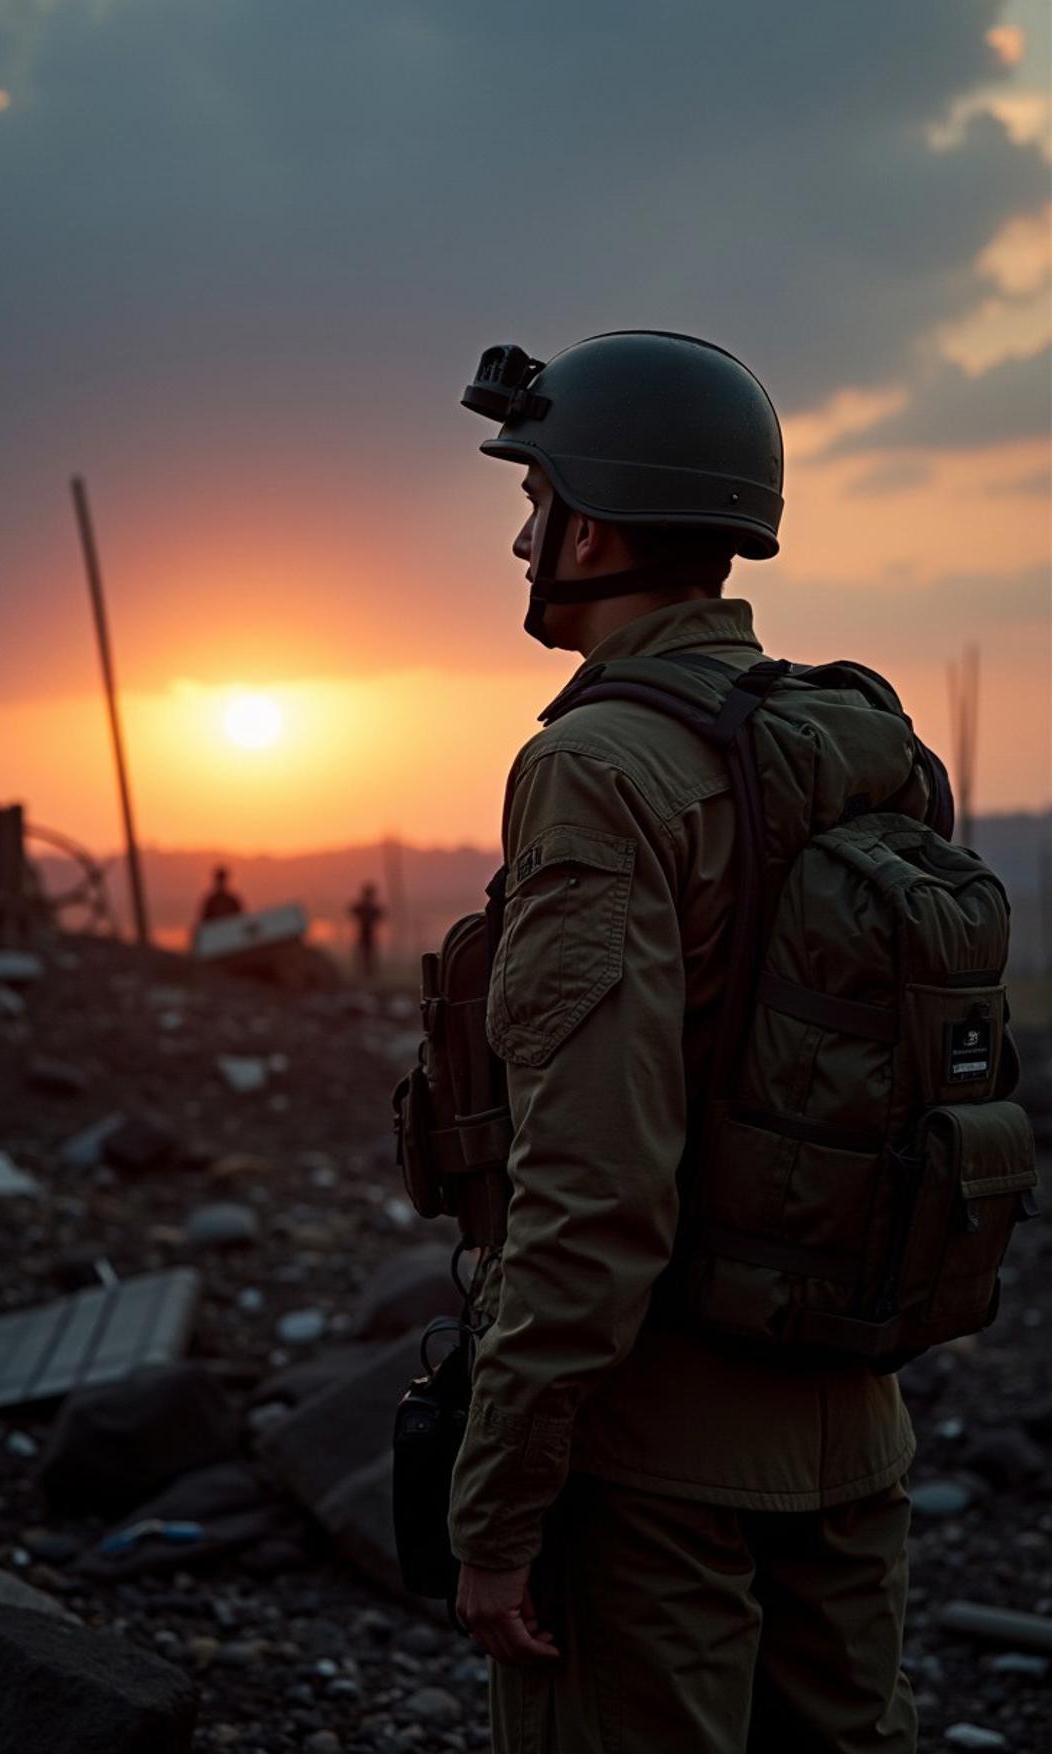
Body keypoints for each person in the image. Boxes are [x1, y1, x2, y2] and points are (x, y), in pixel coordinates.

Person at [447, 334, 923, 1752]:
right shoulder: (850, 734)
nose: (522, 537)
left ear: (588, 523)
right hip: (850, 1428)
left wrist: (499, 1506)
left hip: (659, 1477)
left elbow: (595, 1190)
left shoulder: (599, 765)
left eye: (533, 502)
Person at [349, 880, 386, 981]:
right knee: (364, 954)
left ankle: (368, 973)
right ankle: (364, 973)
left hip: (368, 933)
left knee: (368, 954)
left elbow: (380, 915)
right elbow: (352, 911)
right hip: (364, 933)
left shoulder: (370, 907)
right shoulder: (364, 906)